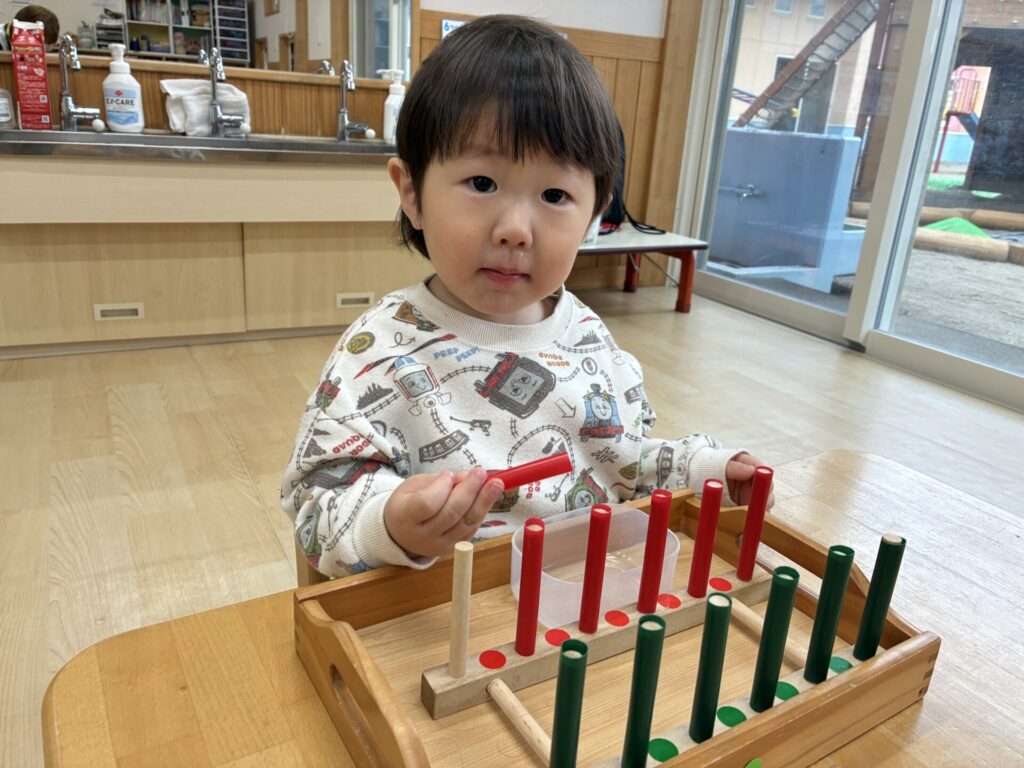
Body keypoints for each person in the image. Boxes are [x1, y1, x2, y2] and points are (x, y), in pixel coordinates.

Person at [281, 14, 771, 578]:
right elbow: (316, 509)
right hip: (441, 611)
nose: (515, 229)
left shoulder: (589, 339)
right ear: (411, 193)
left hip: (581, 599)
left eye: (555, 194)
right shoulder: (379, 350)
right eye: (482, 183)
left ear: (594, 216)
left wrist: (704, 469)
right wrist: (389, 522)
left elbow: (625, 461)